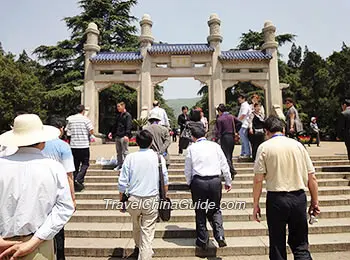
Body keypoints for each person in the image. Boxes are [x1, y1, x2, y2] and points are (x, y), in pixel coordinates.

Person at [0, 114, 74, 260]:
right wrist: (34, 242)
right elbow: (64, 208)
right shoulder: (54, 168)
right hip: (38, 245)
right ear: (43, 141)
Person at [253, 116, 320, 260]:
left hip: (276, 198)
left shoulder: (264, 147)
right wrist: (315, 201)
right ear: (283, 129)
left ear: (266, 131)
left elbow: (258, 180)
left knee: (277, 244)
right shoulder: (298, 146)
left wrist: (255, 204)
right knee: (301, 244)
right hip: (298, 197)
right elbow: (312, 177)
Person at [118, 130, 168, 260]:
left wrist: (121, 201)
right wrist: (164, 197)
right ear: (151, 142)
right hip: (151, 199)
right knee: (147, 233)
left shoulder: (130, 158)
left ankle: (137, 247)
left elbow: (122, 183)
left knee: (136, 225)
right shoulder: (158, 158)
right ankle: (144, 254)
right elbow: (165, 181)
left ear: (137, 142)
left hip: (133, 199)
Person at [185, 124, 232, 250]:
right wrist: (228, 180)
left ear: (193, 137)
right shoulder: (215, 146)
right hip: (215, 181)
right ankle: (220, 235)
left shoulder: (191, 148)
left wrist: (189, 182)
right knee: (215, 209)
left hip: (199, 182)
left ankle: (202, 239)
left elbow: (188, 169)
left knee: (200, 211)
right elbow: (224, 164)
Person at [42, 117, 76, 260]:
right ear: (61, 128)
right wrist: (72, 198)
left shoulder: (38, 144)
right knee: (58, 228)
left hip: (40, 190)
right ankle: (60, 257)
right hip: (57, 191)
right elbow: (69, 174)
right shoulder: (63, 146)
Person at [66, 105, 94, 191]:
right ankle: (79, 178)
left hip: (74, 145)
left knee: (75, 164)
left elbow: (68, 132)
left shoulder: (70, 119)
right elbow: (91, 130)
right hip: (84, 145)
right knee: (85, 163)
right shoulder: (86, 119)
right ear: (83, 111)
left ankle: (75, 181)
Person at [215, 104, 238, 177]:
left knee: (226, 155)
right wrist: (236, 130)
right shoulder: (231, 117)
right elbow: (239, 122)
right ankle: (231, 171)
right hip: (231, 137)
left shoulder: (220, 119)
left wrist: (216, 139)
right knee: (229, 155)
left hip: (224, 137)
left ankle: (231, 170)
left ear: (219, 111)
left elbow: (218, 131)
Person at [108, 102, 133, 171]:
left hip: (124, 136)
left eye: (119, 106)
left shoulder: (128, 115)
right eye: (117, 106)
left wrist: (127, 135)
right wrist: (111, 132)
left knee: (125, 151)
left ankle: (126, 166)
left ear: (123, 106)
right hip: (118, 135)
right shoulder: (119, 115)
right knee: (118, 152)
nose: (117, 108)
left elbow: (129, 126)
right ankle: (119, 165)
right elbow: (115, 125)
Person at [238, 93, 252, 158]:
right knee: (243, 139)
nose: (239, 99)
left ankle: (247, 153)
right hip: (243, 124)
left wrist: (237, 120)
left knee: (244, 139)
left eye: (240, 98)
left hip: (244, 124)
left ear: (243, 98)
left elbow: (243, 114)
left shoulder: (245, 105)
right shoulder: (244, 105)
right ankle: (243, 152)